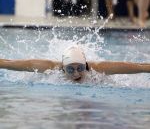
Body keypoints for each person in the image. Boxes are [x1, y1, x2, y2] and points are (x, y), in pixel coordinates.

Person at [0, 45, 150, 82]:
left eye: (80, 68)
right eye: (70, 70)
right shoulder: (50, 68)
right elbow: (10, 63)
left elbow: (138, 67)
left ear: (86, 64)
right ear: (63, 68)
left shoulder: (97, 68)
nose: (77, 73)